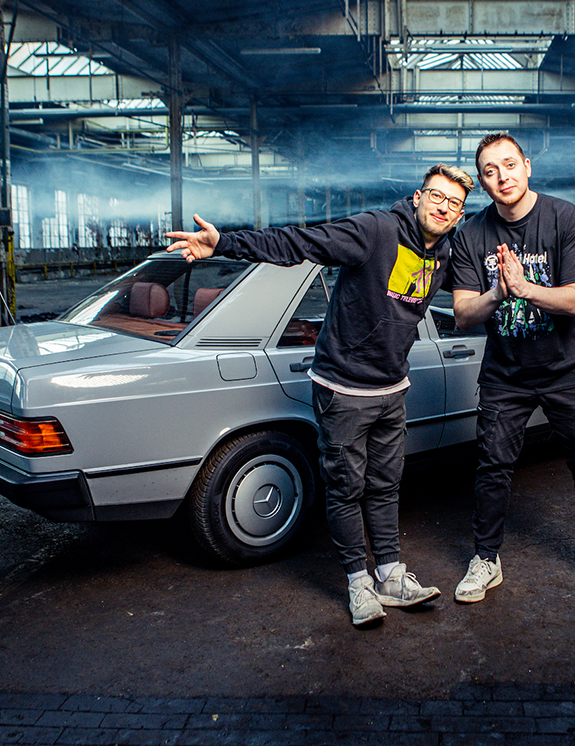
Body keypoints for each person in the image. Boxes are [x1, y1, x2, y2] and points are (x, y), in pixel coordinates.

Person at [165, 163, 474, 626]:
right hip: (344, 389)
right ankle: (358, 583)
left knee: (386, 484)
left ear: (460, 214)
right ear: (418, 197)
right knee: (347, 488)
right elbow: (300, 242)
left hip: (393, 388)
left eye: (454, 203)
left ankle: (390, 576)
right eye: (436, 196)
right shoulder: (375, 230)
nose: (443, 207)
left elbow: (473, 280)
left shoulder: (444, 251)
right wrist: (224, 242)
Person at [449, 133, 575, 607]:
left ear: (527, 166)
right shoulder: (471, 235)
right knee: (492, 466)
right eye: (489, 171)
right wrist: (498, 292)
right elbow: (463, 314)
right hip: (506, 375)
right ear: (482, 183)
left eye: (509, 165)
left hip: (567, 369)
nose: (502, 177)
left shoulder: (564, 218)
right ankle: (486, 559)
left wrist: (525, 288)